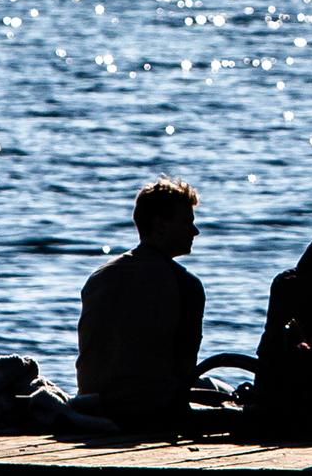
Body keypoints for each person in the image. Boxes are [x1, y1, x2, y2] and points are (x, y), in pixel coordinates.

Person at [74, 176, 221, 433]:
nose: (195, 231)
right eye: (187, 222)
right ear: (160, 226)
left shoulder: (99, 277)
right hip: (150, 411)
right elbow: (184, 370)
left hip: (93, 402)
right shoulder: (186, 285)